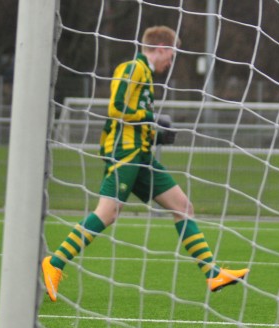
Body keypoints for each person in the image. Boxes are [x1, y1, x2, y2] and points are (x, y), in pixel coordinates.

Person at [41, 26, 249, 302]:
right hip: (125, 152)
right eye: (171, 56)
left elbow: (137, 117)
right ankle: (54, 263)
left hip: (141, 154)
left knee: (183, 207)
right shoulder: (133, 67)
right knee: (107, 213)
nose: (171, 62)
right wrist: (150, 117)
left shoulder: (147, 75)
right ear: (161, 48)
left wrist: (157, 132)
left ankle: (213, 274)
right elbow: (116, 107)